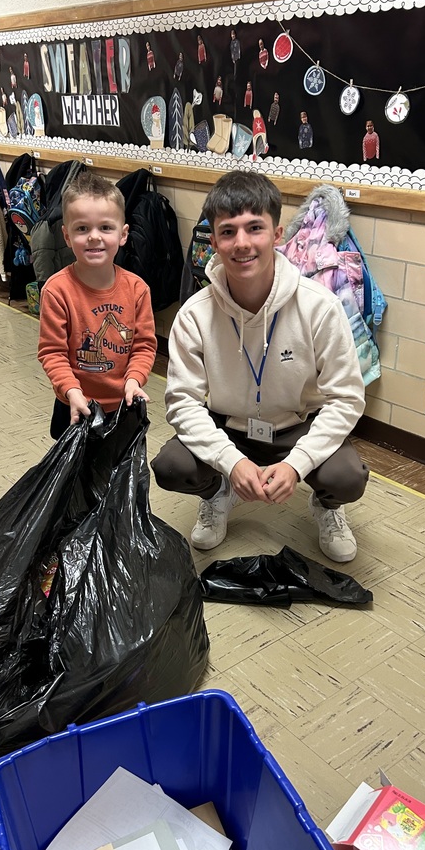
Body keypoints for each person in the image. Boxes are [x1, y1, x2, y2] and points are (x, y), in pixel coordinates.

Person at [151, 171, 368, 562]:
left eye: (255, 228)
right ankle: (217, 493)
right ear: (213, 241)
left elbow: (347, 399)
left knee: (346, 478)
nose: (242, 243)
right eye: (228, 232)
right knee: (171, 466)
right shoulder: (194, 315)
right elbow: (182, 403)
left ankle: (327, 508)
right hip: (229, 426)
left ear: (277, 233)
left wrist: (298, 465)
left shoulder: (320, 307)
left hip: (295, 425)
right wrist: (230, 462)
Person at [38, 172, 157, 437]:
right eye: (82, 229)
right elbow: (52, 353)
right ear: (67, 236)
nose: (94, 237)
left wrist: (134, 380)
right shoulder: (57, 291)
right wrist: (71, 391)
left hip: (123, 405)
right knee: (75, 477)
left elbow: (143, 346)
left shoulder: (137, 290)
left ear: (123, 234)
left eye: (105, 227)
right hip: (74, 406)